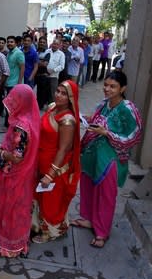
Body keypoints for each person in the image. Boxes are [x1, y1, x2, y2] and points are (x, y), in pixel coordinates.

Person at [72, 71, 142, 248]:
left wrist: (107, 133)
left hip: (111, 158)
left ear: (122, 88)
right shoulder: (103, 104)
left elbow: (134, 136)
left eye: (112, 86)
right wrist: (89, 120)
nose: (107, 89)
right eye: (106, 85)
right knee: (88, 186)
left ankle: (102, 232)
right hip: (92, 154)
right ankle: (88, 219)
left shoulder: (128, 109)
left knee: (106, 194)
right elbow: (97, 120)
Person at [0, 84, 40, 258]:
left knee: (11, 208)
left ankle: (10, 247)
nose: (9, 102)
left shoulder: (21, 126)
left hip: (14, 174)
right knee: (17, 207)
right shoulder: (28, 119)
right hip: (20, 173)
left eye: (14, 99)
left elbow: (18, 157)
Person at [31, 80, 81, 243]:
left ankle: (51, 232)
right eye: (58, 91)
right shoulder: (52, 107)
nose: (58, 95)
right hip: (41, 159)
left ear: (71, 99)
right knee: (40, 196)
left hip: (55, 166)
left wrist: (51, 174)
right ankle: (38, 225)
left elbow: (63, 149)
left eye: (64, 93)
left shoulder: (68, 120)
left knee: (51, 200)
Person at [35, 36, 51, 109]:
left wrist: (35, 62)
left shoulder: (48, 53)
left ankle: (39, 106)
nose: (42, 43)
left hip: (42, 75)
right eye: (40, 42)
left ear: (46, 44)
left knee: (41, 92)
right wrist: (40, 61)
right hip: (34, 74)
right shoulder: (35, 51)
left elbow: (45, 64)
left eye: (43, 42)